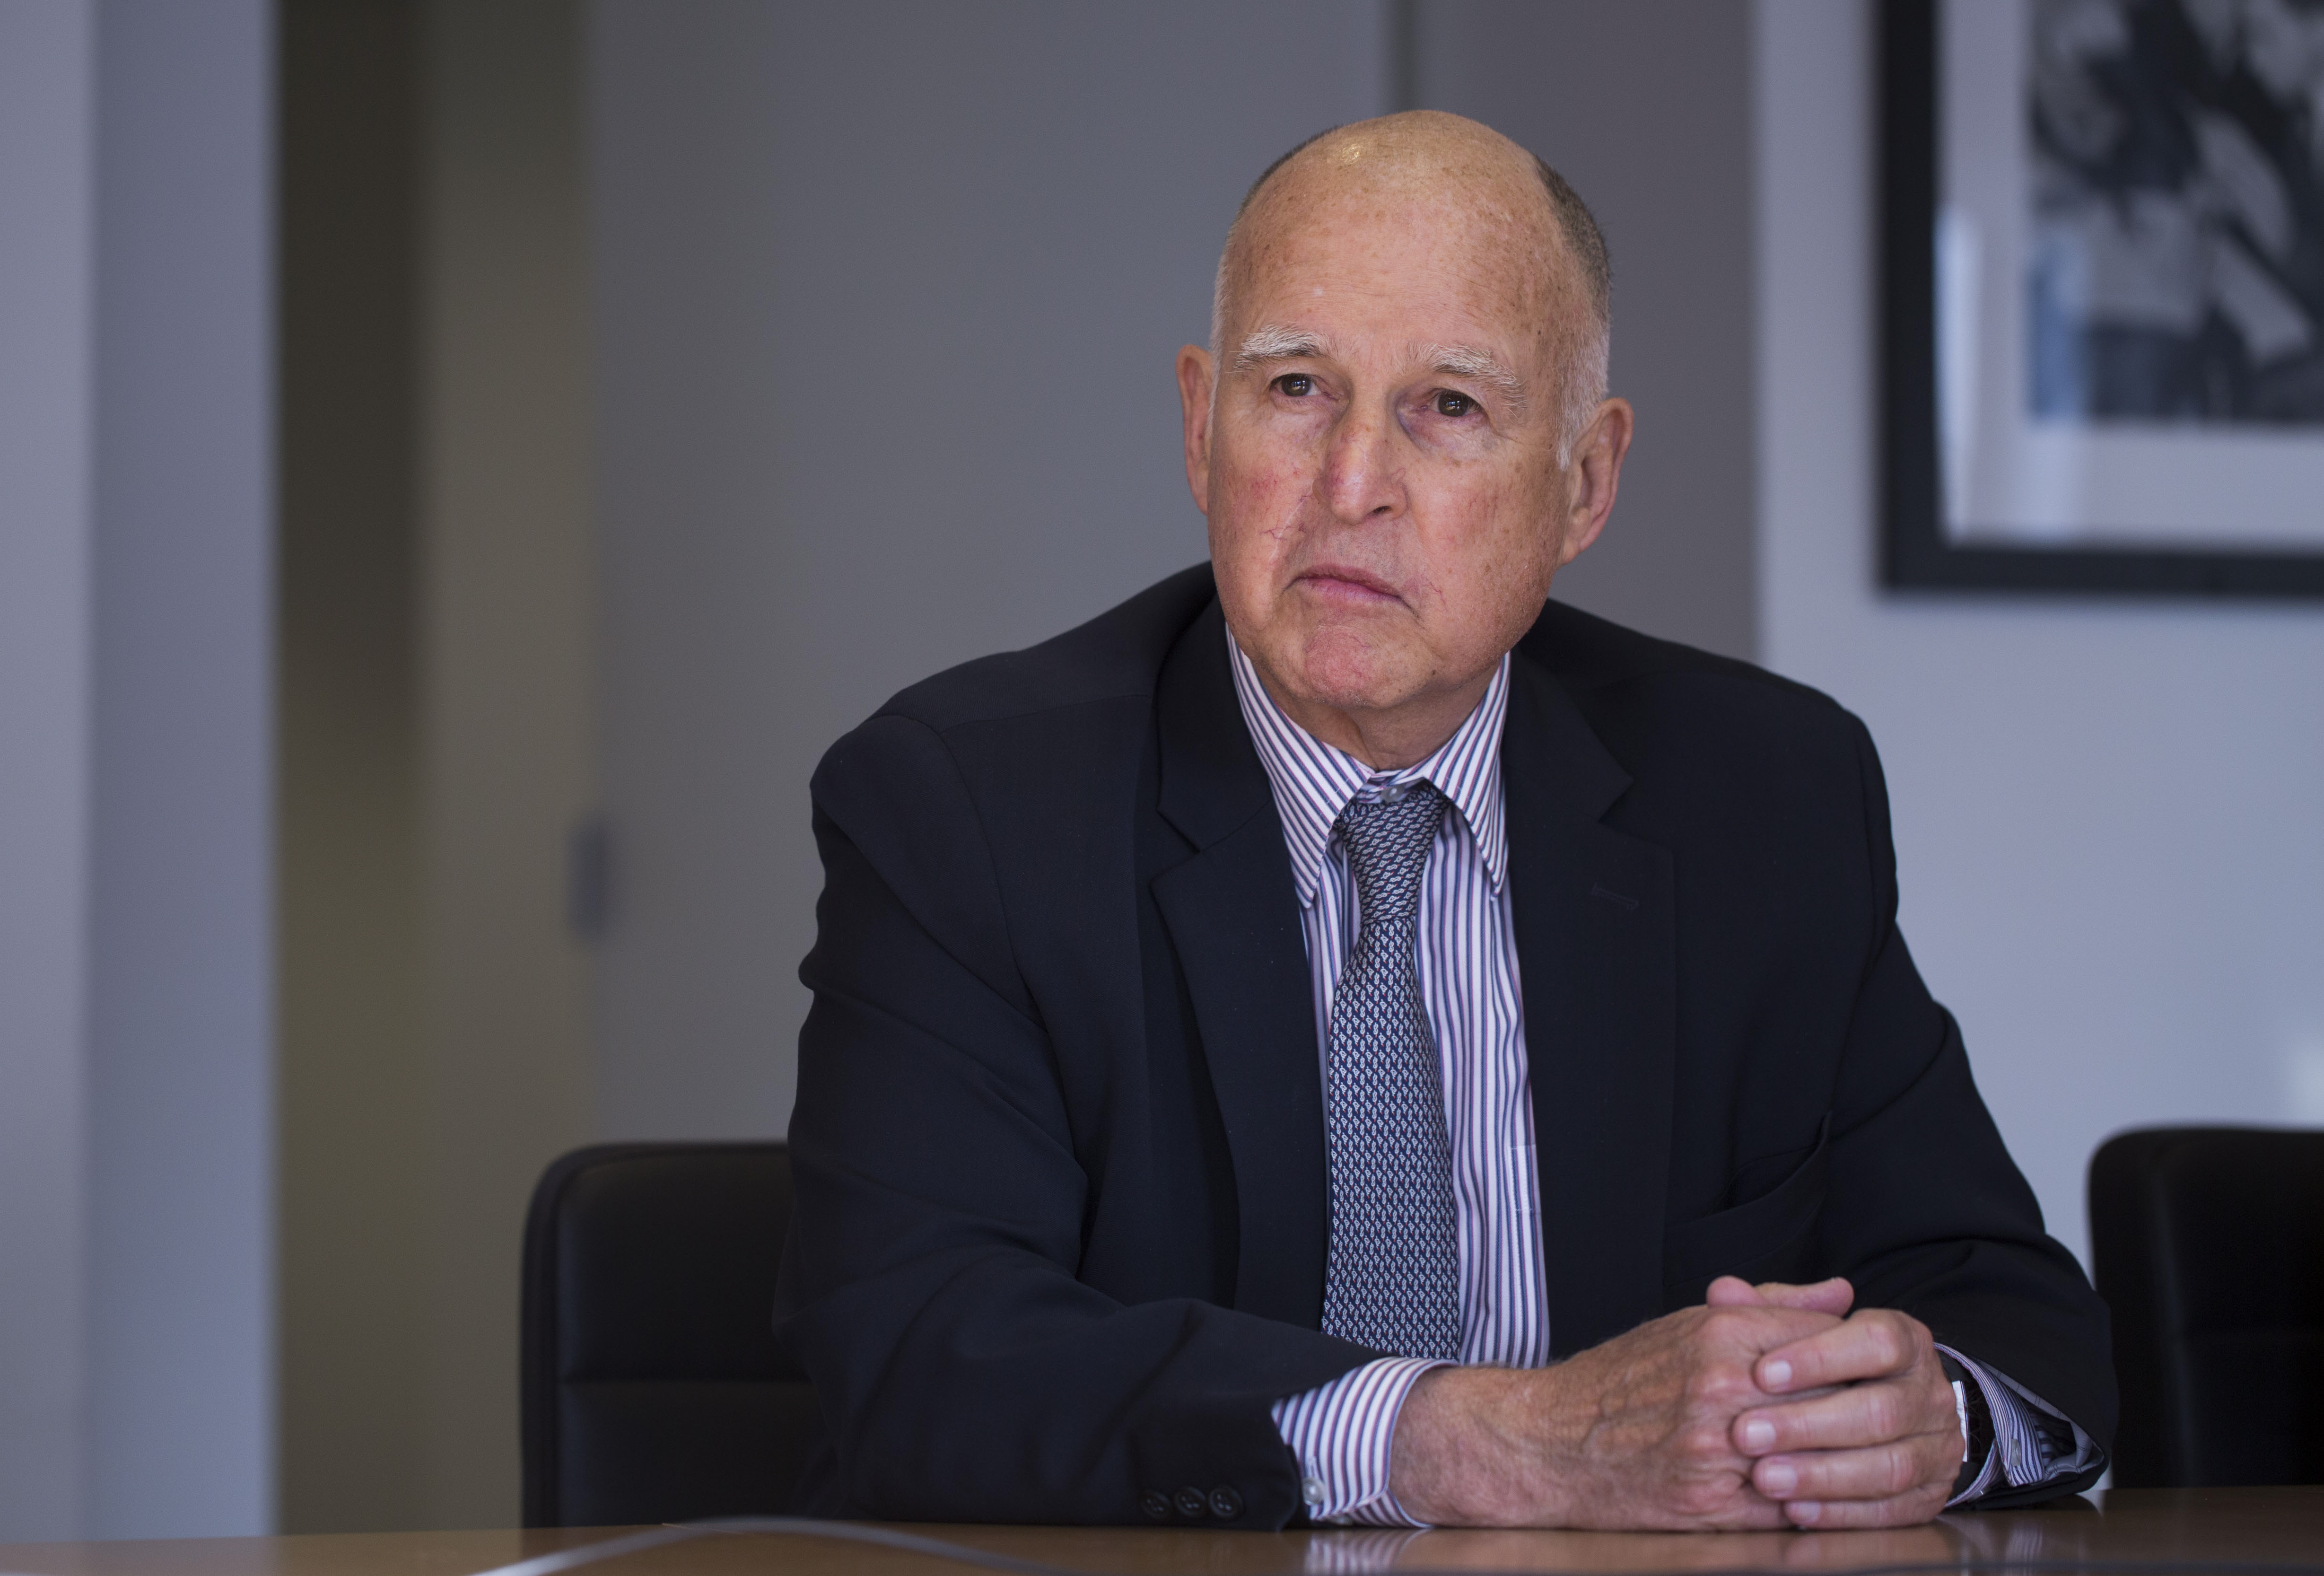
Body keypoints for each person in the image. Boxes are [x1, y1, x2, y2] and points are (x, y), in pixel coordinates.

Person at [778, 113, 2114, 1532]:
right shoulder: (969, 807)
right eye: (1296, 388)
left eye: (1450, 407)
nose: (1352, 483)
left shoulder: (1765, 797)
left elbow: (2012, 1320)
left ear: (1584, 484)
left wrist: (1917, 1419)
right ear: (1199, 428)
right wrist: (1472, 1445)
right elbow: (916, 1357)